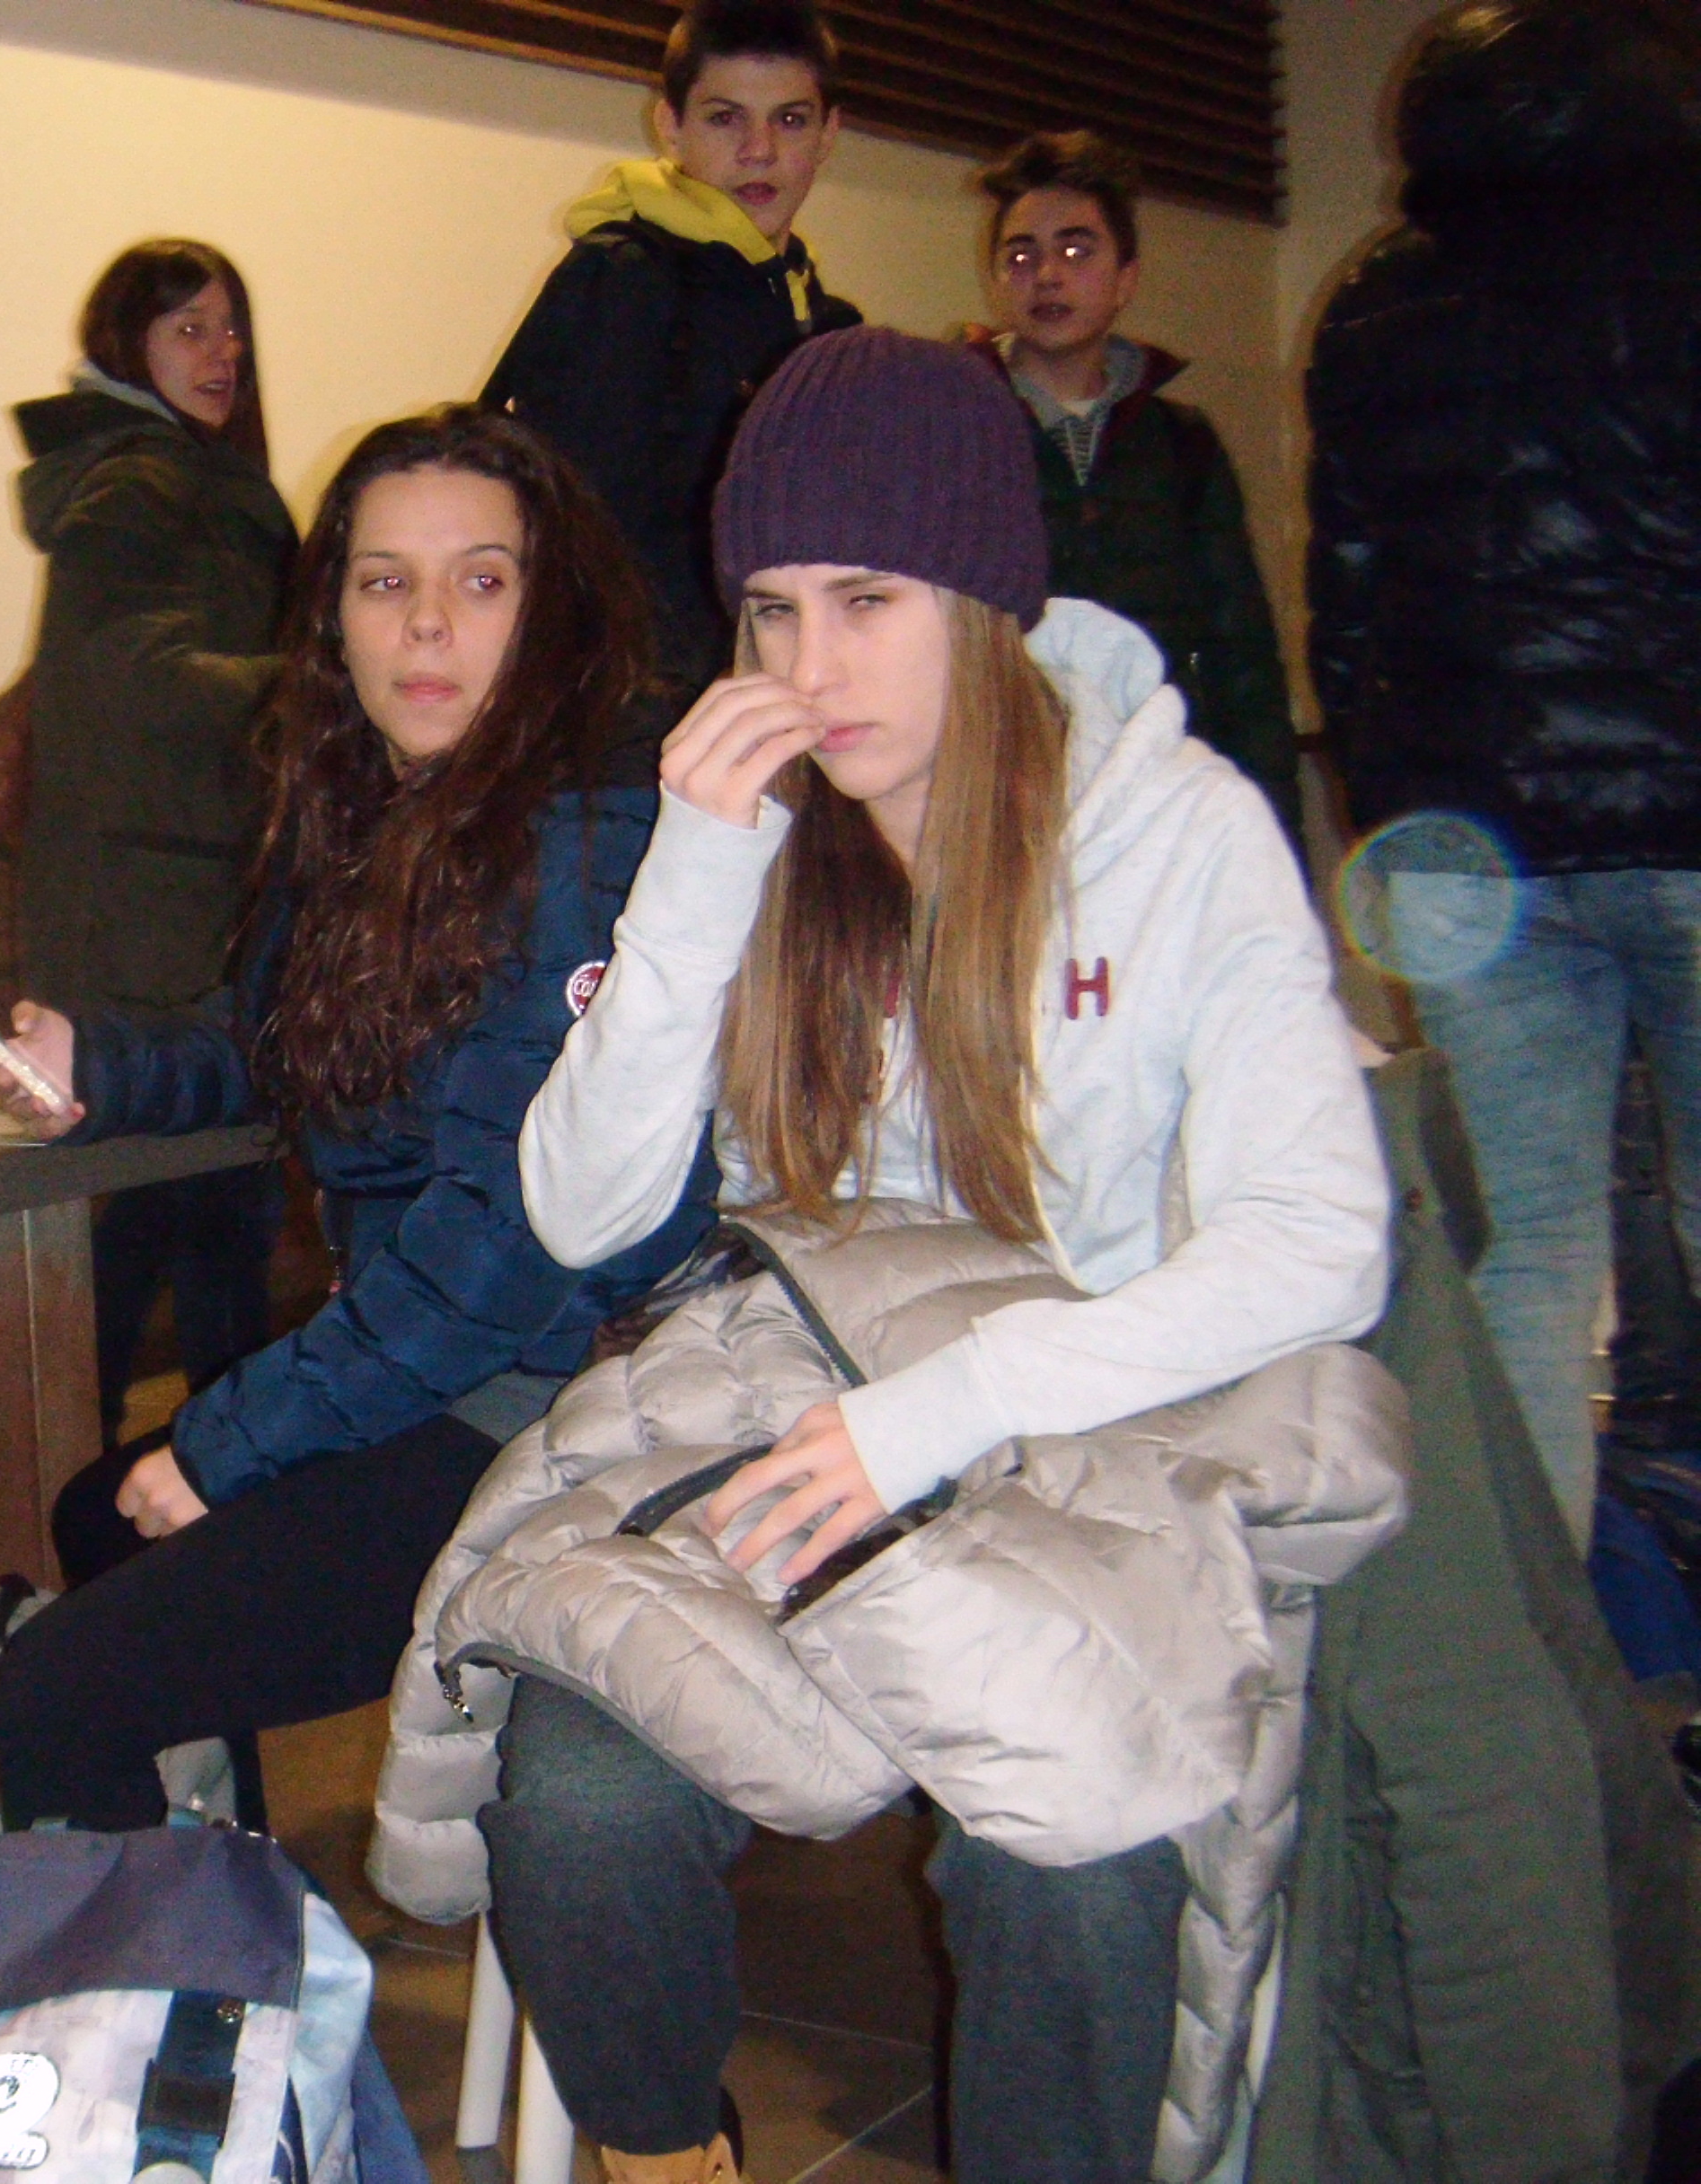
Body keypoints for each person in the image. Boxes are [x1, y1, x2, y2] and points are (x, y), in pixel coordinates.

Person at [458, 330, 1390, 2182]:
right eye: (773, 609)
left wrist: (952, 1408)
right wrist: (694, 872)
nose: (810, 669)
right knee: (572, 1791)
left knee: (1072, 1864)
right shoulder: (752, 837)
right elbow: (578, 1210)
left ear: (981, 600)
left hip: (1095, 1449)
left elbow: (1323, 1242)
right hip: (808, 1427)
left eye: (867, 601)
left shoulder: (1174, 830)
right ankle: (665, 2157)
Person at [0, 407, 718, 1832]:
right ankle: (225, 1897)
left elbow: (499, 1263)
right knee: (98, 1520)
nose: (426, 625)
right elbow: (276, 1042)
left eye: (480, 581)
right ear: (333, 624)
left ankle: (185, 1962)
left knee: (56, 1692)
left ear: (552, 610)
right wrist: (97, 1064)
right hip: (442, 1367)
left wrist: (231, 1443)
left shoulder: (591, 847)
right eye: (385, 583)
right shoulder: (380, 814)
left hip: (554, 1403)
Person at [1310, 0, 1701, 1554]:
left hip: (1468, 853)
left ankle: (1552, 1659)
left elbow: (1344, 601)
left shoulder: (1376, 306)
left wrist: (1391, 808)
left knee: (1531, 1257)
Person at [13, 240, 299, 1443]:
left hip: (172, 895)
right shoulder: (138, 481)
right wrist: (309, 688)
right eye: (188, 328)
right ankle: (191, 1484)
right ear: (127, 345)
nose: (220, 353)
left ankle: (139, 1481)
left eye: (231, 328)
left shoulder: (179, 474)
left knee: (178, 1217)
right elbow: (131, 670)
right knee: (191, 1216)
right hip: (152, 915)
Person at [481, 0, 860, 700]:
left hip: (785, 692)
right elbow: (575, 540)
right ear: (670, 125)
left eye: (790, 120)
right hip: (640, 713)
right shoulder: (621, 280)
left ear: (829, 133)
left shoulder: (827, 321)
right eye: (725, 119)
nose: (759, 150)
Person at [966, 129, 1302, 851]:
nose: (1046, 275)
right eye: (1021, 255)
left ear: (1126, 279)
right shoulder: (953, 427)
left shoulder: (1183, 443)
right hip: (1003, 803)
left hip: (1160, 797)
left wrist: (1275, 842)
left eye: (1076, 251)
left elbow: (1244, 658)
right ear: (995, 280)